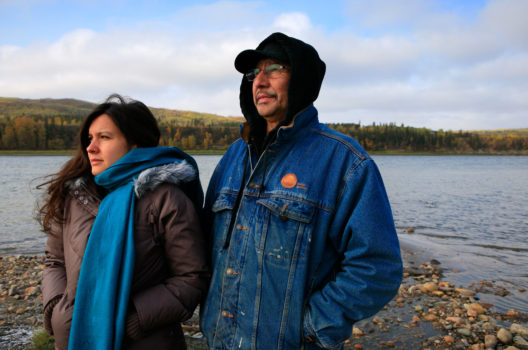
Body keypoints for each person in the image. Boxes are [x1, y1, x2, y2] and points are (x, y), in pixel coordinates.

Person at [200, 32, 403, 349]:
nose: (259, 81)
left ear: (302, 79)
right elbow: (205, 242)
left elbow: (377, 268)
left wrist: (310, 327)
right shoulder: (233, 157)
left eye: (274, 69)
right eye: (254, 73)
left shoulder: (345, 162)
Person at [38, 94, 209, 350]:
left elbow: (192, 277)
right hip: (74, 338)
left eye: (104, 137)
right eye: (89, 139)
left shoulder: (166, 199)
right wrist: (57, 309)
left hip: (147, 341)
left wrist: (134, 319)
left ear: (135, 145)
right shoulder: (74, 196)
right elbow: (55, 261)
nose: (91, 147)